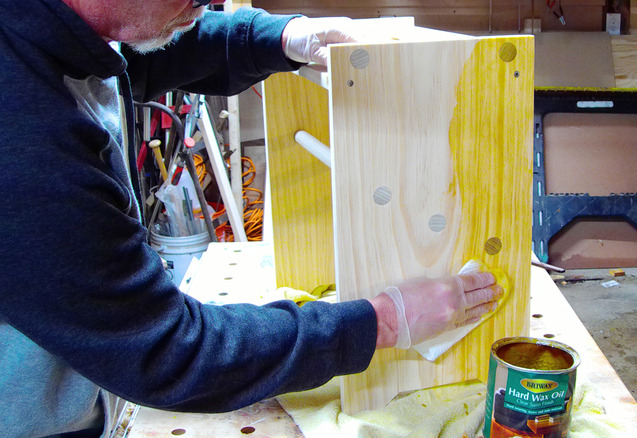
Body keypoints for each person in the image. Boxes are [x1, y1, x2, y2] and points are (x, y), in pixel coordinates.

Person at [0, 0, 504, 436]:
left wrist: (281, 38)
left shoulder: (60, 29)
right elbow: (165, 351)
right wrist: (384, 321)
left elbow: (132, 52)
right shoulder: (27, 138)